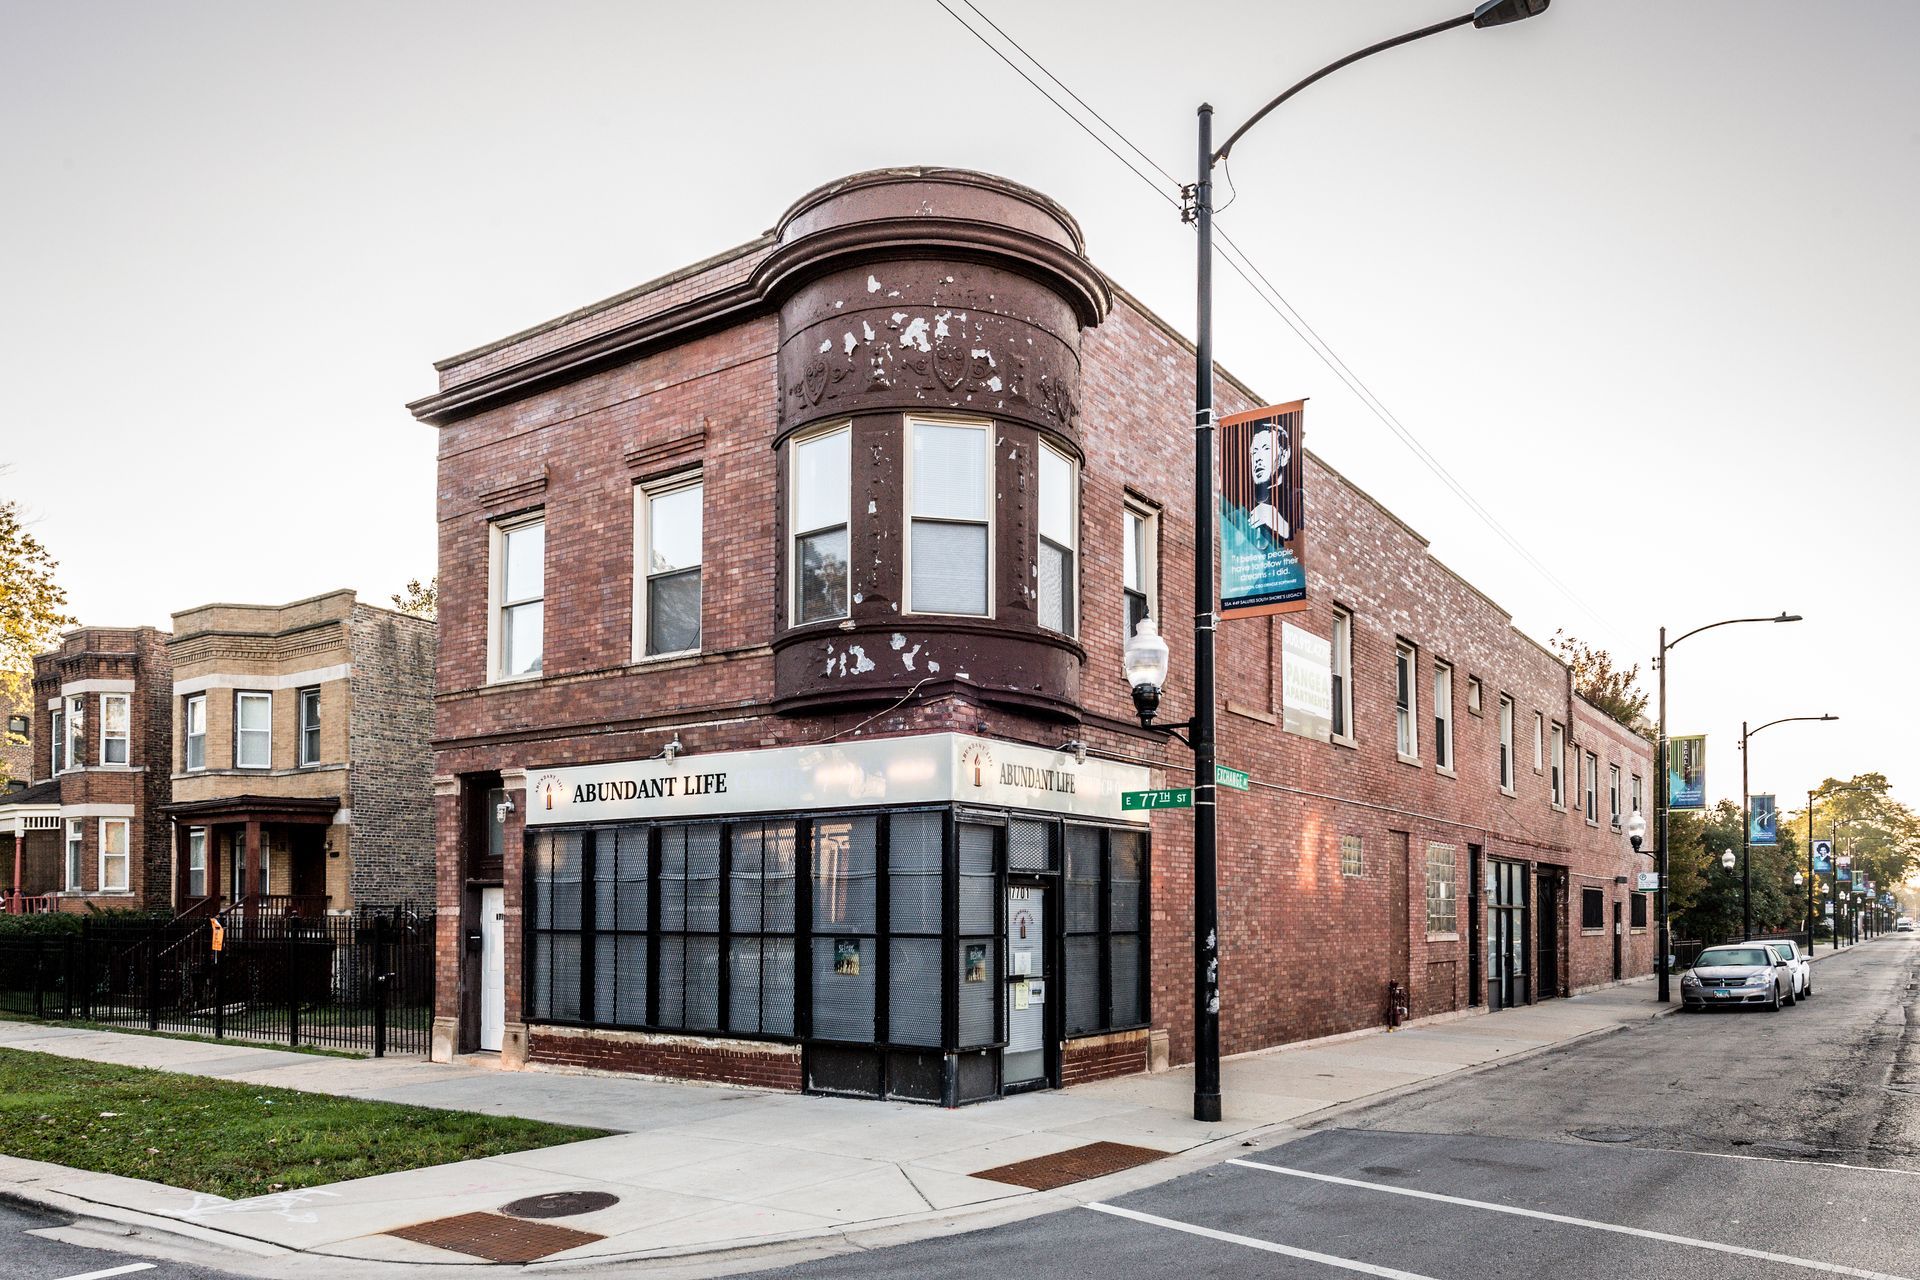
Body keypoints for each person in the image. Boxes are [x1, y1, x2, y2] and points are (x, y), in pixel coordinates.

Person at [1246, 420, 1291, 546]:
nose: (1258, 458)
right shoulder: (1240, 507)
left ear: (1284, 456)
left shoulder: (1295, 499)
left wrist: (1279, 524)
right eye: (1254, 452)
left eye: (1266, 449)